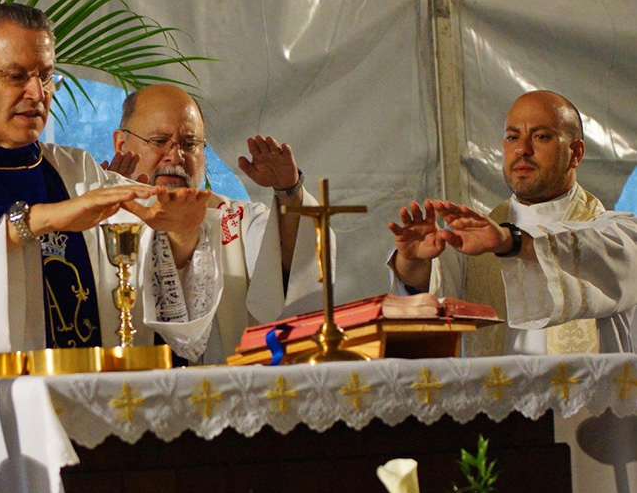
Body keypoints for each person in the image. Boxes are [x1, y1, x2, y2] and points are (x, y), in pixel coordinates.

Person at [0, 2, 225, 385]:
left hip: (82, 403)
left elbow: (154, 274)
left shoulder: (75, 171)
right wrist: (47, 217)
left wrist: (183, 233)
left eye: (47, 76)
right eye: (17, 76)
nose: (37, 93)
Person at [387, 90, 637, 356]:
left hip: (589, 396)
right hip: (499, 393)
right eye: (512, 137)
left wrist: (511, 241)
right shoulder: (473, 237)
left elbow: (591, 252)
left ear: (575, 153)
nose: (522, 149)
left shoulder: (616, 232)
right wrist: (413, 261)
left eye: (541, 136)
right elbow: (429, 297)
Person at [106, 84, 327, 362]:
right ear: (120, 144)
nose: (176, 156)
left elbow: (296, 267)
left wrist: (289, 192)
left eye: (189, 144)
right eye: (160, 141)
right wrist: (109, 207)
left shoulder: (235, 220)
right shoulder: (96, 219)